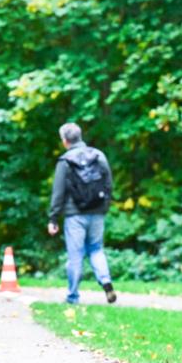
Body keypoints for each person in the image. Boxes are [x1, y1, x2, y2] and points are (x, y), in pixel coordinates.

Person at [47, 123, 117, 305]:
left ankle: (73, 296)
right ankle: (106, 281)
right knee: (96, 249)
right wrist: (104, 205)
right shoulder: (98, 155)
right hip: (97, 211)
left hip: (74, 214)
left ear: (65, 141)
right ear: (80, 136)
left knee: (75, 255)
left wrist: (53, 218)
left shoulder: (65, 161)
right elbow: (109, 183)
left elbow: (58, 192)